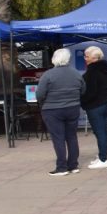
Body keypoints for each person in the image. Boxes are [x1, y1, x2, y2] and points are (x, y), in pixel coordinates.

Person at [37, 48, 85, 176]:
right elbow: (83, 90)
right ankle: (73, 165)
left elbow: (40, 94)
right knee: (72, 137)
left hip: (52, 109)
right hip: (73, 108)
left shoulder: (48, 74)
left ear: (54, 59)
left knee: (58, 138)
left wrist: (43, 103)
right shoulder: (76, 73)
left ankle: (62, 167)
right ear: (68, 59)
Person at [81, 46, 107, 169]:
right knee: (103, 131)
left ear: (94, 58)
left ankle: (103, 159)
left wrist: (83, 102)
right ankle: (102, 156)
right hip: (103, 103)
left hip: (95, 106)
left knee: (100, 132)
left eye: (86, 56)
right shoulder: (104, 69)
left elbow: (90, 92)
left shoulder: (92, 72)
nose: (85, 58)